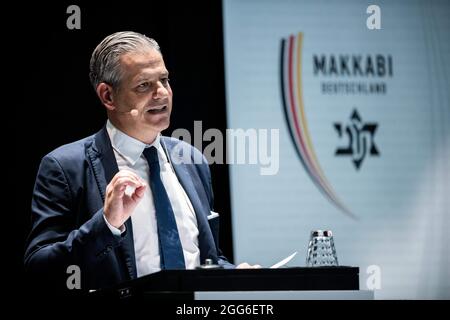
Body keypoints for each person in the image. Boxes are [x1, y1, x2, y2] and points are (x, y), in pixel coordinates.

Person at [24, 31, 257, 292]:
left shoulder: (192, 159)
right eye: (144, 85)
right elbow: (39, 269)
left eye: (164, 80)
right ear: (108, 96)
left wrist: (233, 274)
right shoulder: (64, 167)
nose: (161, 93)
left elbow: (204, 259)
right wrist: (107, 224)